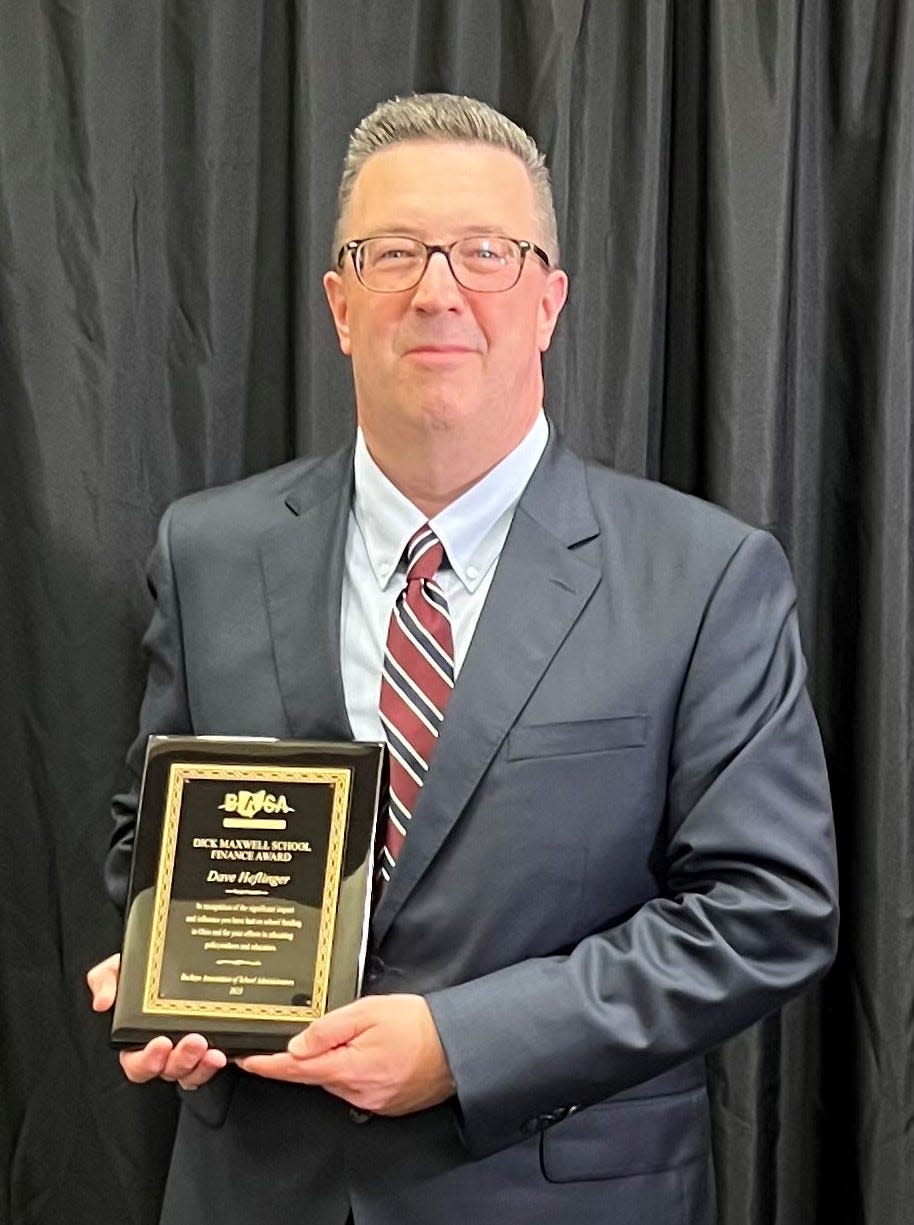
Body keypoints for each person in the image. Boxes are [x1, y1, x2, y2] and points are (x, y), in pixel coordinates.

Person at [88, 93, 838, 1225]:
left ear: (547, 301)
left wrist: (463, 1043)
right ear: (340, 306)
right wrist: (166, 983)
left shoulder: (704, 576)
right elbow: (152, 834)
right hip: (255, 1190)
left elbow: (765, 906)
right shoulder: (207, 549)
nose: (436, 289)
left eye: (484, 252)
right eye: (393, 254)